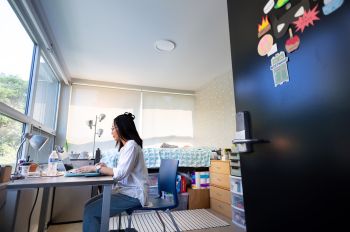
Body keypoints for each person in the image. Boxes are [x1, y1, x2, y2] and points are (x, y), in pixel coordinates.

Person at [78, 112, 148, 232]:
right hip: (126, 191)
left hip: (134, 194)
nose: (111, 132)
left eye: (112, 128)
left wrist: (96, 168)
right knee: (88, 206)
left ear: (121, 129)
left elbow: (120, 173)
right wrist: (106, 167)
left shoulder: (131, 145)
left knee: (91, 211)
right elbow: (122, 170)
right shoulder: (126, 147)